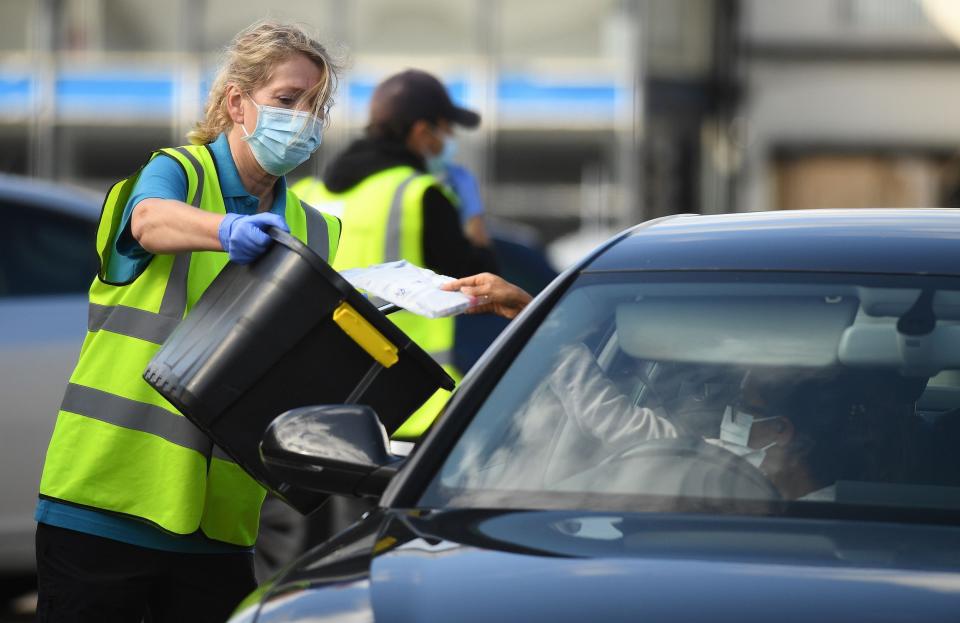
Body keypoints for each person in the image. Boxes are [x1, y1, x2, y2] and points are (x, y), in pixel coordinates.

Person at [34, 21, 341, 623]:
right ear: (236, 102)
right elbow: (149, 221)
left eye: (315, 106)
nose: (303, 120)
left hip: (217, 525)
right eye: (287, 100)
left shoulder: (316, 231)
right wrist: (223, 231)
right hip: (107, 499)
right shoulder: (177, 174)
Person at [292, 68, 498, 441]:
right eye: (445, 130)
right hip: (414, 408)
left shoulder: (308, 193)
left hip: (322, 408)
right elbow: (482, 283)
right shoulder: (421, 195)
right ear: (421, 132)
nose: (448, 141)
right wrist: (474, 215)